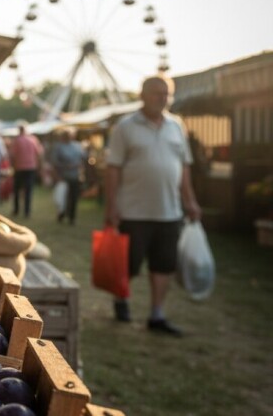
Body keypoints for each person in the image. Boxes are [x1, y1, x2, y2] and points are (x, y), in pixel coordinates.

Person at [105, 75, 201, 337]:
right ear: (143, 95)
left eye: (167, 93)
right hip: (133, 211)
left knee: (164, 265)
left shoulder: (176, 126)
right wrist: (111, 206)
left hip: (170, 212)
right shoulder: (125, 127)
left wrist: (190, 201)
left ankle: (157, 314)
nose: (163, 98)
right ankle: (121, 299)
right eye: (157, 93)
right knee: (129, 264)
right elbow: (113, 169)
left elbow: (184, 168)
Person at [51, 129, 86, 225]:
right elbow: (55, 162)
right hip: (64, 176)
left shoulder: (78, 146)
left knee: (74, 197)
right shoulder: (58, 147)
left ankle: (72, 217)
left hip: (75, 176)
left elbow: (83, 159)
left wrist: (80, 167)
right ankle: (62, 213)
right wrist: (58, 174)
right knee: (63, 197)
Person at [9, 124, 45, 217]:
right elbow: (39, 153)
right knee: (28, 190)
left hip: (19, 168)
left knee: (17, 190)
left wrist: (12, 166)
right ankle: (27, 211)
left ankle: (16, 210)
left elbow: (12, 155)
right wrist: (39, 166)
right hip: (30, 168)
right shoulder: (33, 140)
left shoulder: (16, 141)